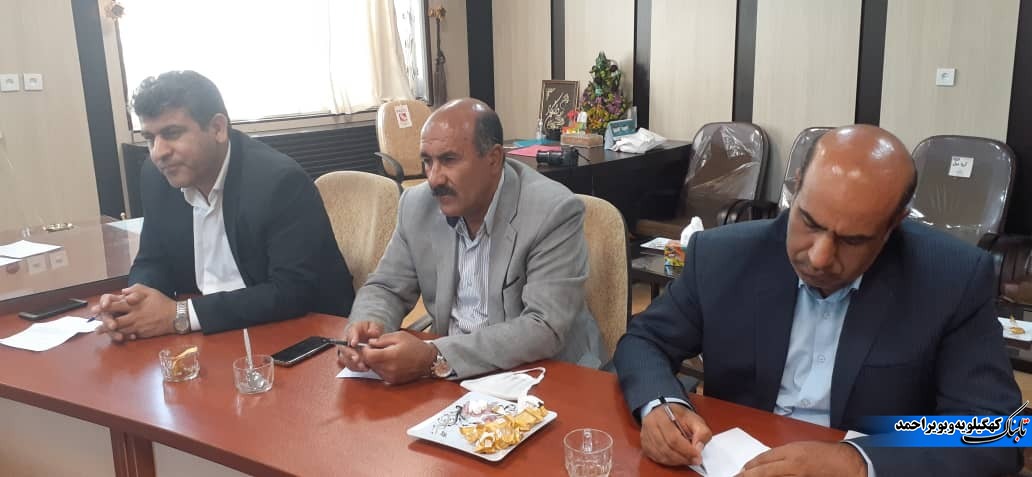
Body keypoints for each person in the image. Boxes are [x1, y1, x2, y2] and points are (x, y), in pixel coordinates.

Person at [614, 125, 1022, 476]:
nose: (820, 257)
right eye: (809, 222)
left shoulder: (951, 278)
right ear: (795, 189)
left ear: (894, 225)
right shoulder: (723, 257)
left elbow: (997, 430)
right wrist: (660, 404)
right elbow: (645, 341)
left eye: (853, 240)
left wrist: (859, 461)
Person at [336, 98, 605, 384]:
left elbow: (544, 327)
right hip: (456, 378)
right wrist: (369, 325)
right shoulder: (417, 205)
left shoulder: (551, 210)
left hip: (543, 375)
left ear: (494, 159)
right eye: (427, 161)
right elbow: (387, 287)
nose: (434, 179)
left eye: (449, 160)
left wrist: (435, 357)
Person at [94, 70, 354, 341]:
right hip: (212, 331)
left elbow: (292, 292)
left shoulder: (278, 182)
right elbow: (152, 259)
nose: (159, 152)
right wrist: (135, 301)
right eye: (149, 138)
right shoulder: (157, 176)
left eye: (172, 133)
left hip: (300, 333)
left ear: (217, 128)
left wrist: (180, 314)